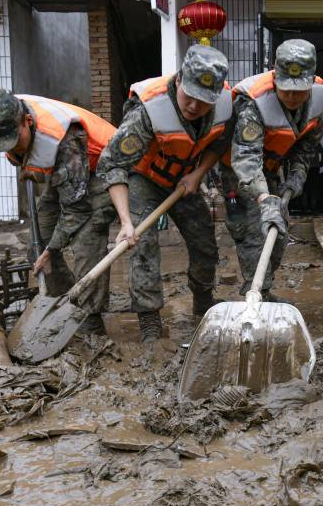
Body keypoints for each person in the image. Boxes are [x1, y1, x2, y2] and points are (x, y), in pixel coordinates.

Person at [97, 45, 232, 342]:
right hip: (145, 179)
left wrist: (198, 174)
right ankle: (149, 320)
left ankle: (203, 301)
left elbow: (219, 145)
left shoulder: (224, 104)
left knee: (204, 242)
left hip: (184, 179)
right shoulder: (148, 110)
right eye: (190, 96)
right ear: (180, 79)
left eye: (204, 101)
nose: (195, 107)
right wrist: (126, 222)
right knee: (142, 245)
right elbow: (112, 165)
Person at [0, 88, 118, 336]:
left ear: (26, 122)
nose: (13, 147)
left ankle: (91, 320)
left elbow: (77, 208)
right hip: (63, 172)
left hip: (104, 170)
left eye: (16, 139)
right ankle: (64, 303)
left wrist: (52, 249)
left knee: (87, 239)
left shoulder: (64, 138)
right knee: (36, 240)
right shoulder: (4, 114)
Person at [222, 39, 323, 302]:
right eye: (285, 90)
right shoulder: (253, 103)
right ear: (274, 76)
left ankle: (264, 287)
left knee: (277, 231)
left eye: (299, 91)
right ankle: (256, 291)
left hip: (271, 169)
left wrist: (296, 176)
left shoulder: (317, 103)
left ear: (311, 81)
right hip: (240, 174)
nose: (291, 97)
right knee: (252, 231)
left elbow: (306, 146)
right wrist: (263, 198)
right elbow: (246, 158)